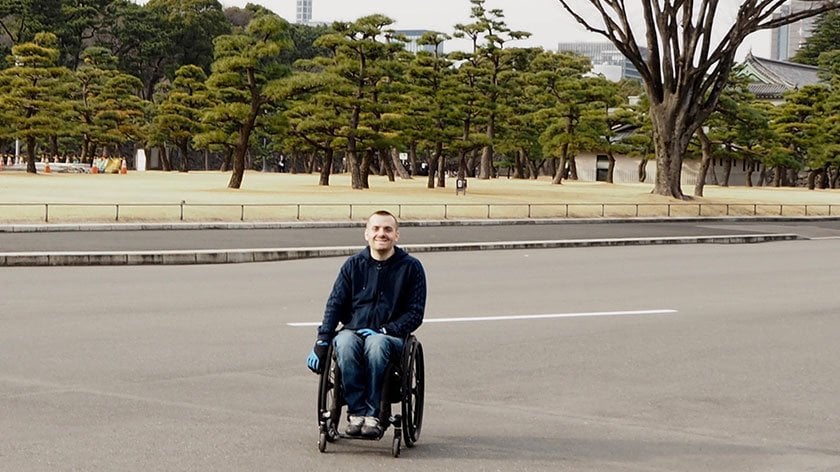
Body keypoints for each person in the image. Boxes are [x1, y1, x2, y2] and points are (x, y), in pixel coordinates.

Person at [307, 210, 427, 438]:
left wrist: (385, 330)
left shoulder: (411, 268)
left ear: (397, 236)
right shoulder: (353, 265)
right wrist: (322, 340)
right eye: (376, 229)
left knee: (376, 344)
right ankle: (356, 413)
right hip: (353, 330)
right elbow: (335, 304)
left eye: (388, 229)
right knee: (343, 343)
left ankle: (374, 414)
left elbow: (415, 313)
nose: (381, 234)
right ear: (366, 234)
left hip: (390, 336)